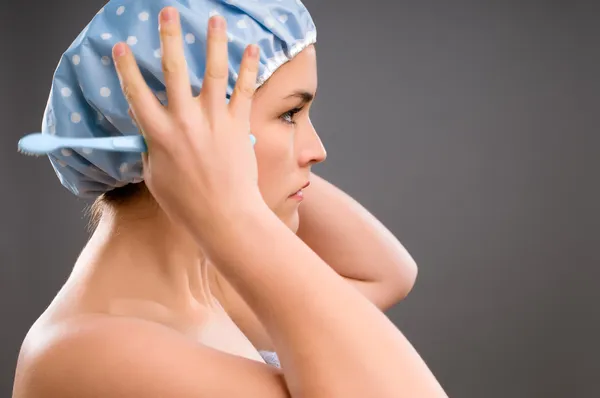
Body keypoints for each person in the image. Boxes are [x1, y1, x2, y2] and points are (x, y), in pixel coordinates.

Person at [13, 1, 446, 397]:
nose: (318, 149)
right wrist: (232, 208)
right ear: (192, 135)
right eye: (290, 114)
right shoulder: (95, 353)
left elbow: (386, 274)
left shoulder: (205, 292)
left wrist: (226, 195)